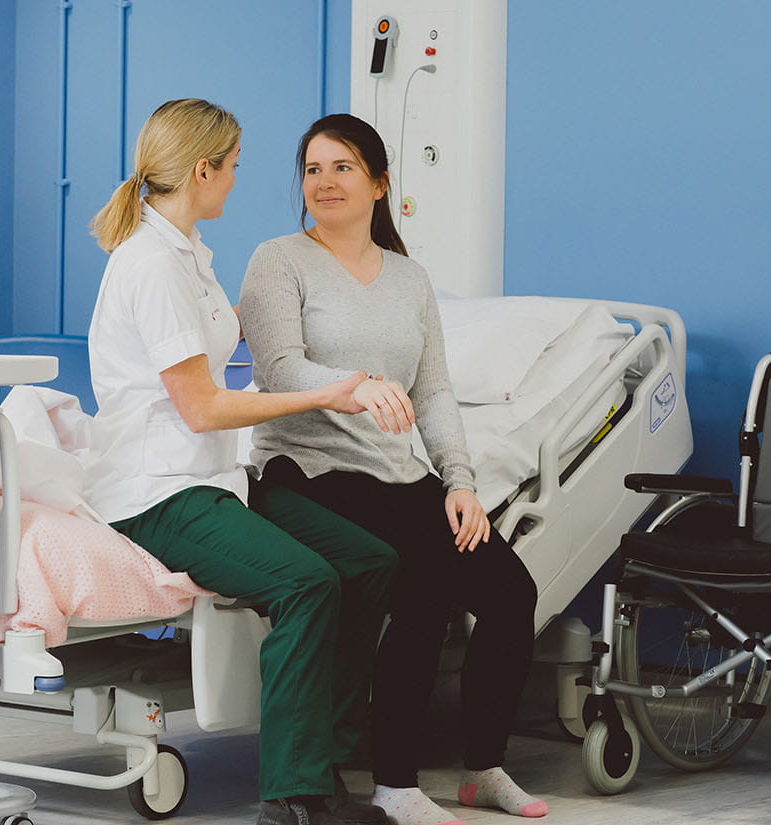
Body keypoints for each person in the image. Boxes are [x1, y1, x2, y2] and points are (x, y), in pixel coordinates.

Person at [86, 99, 412, 825]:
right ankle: (292, 799)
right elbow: (201, 406)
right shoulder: (151, 265)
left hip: (214, 475)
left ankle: (320, 766)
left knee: (368, 563)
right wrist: (329, 395)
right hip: (160, 491)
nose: (238, 180)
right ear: (202, 169)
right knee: (306, 583)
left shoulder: (188, 253)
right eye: (232, 167)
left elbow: (235, 357)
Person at [240, 113, 547, 825]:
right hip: (309, 470)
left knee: (509, 591)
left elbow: (432, 389)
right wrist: (354, 383)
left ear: (380, 183)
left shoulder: (410, 279)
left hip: (398, 474)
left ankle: (482, 767)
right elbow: (278, 365)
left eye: (342, 167)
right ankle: (396, 782)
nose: (324, 182)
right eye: (313, 169)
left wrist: (461, 480)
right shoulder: (277, 259)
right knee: (425, 577)